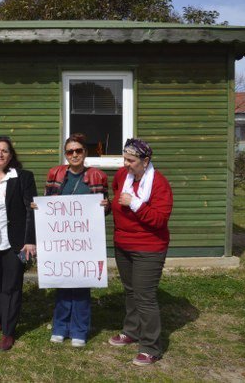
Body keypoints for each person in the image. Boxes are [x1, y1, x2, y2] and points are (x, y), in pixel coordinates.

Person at [108, 138, 173, 366]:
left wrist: (135, 203)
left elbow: (159, 220)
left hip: (149, 247)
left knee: (145, 297)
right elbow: (116, 199)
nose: (125, 164)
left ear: (145, 161)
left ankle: (150, 347)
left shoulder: (159, 184)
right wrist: (107, 206)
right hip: (123, 244)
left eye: (131, 160)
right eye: (124, 159)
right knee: (130, 291)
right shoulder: (120, 178)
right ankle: (131, 330)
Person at [42, 133, 109, 347]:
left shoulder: (97, 176)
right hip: (61, 239)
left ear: (85, 153)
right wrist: (39, 207)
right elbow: (48, 204)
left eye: (78, 150)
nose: (74, 155)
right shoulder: (55, 173)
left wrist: (104, 207)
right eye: (70, 151)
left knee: (81, 284)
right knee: (62, 283)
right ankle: (60, 327)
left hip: (85, 240)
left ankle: (79, 330)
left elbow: (103, 210)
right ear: (65, 154)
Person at [0, 135, 37, 351]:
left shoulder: (23, 177)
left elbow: (31, 211)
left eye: (4, 150)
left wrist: (30, 241)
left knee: (12, 286)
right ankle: (1, 320)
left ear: (10, 154)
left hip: (16, 243)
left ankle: (8, 331)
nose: (0, 154)